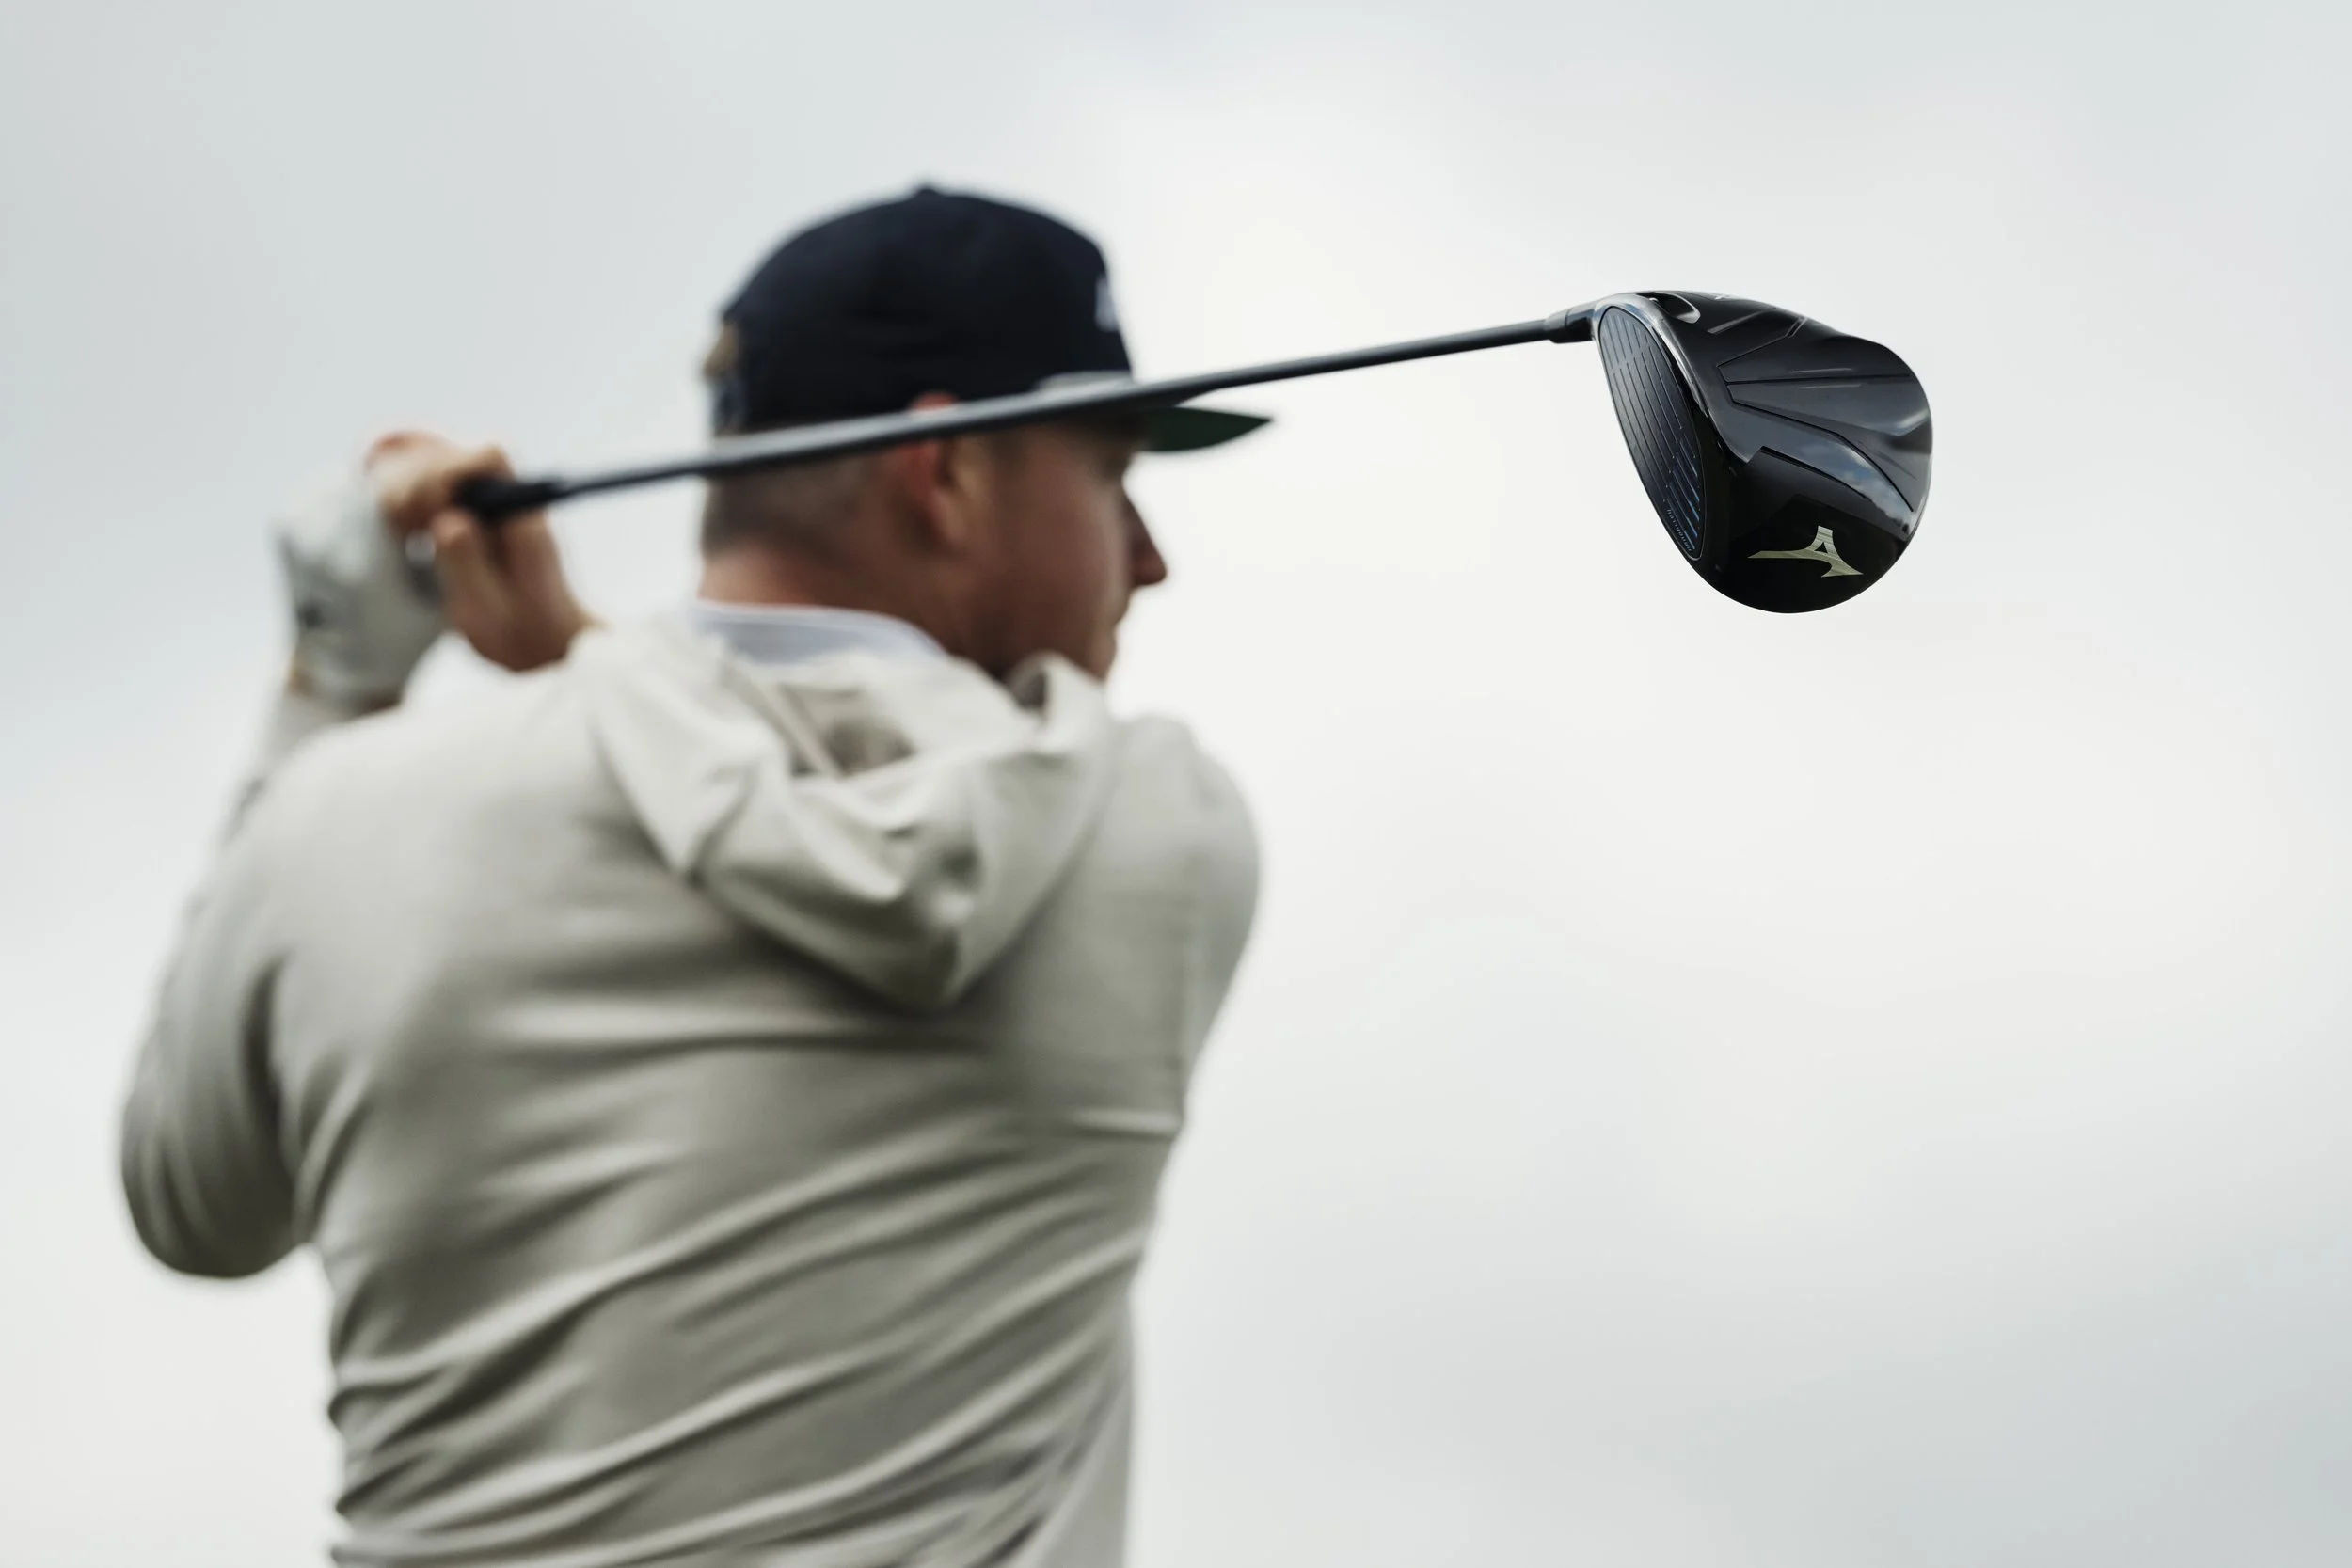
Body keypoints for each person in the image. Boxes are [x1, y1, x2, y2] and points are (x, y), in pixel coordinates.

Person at [119, 187, 1265, 1568]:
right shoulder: (1151, 831)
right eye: (1111, 474)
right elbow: (780, 801)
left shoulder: (332, 827)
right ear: (943, 477)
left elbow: (193, 1201)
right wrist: (579, 653)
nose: (1149, 555)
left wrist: (334, 681)